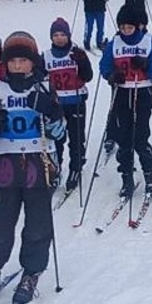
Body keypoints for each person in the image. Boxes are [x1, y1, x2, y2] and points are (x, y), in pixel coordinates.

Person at [0, 32, 66, 304]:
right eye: (13, 62)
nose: (18, 66)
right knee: (0, 224)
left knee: (37, 224)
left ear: (33, 62)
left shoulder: (45, 88)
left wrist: (49, 111)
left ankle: (31, 273)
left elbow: (59, 132)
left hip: (39, 163)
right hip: (6, 166)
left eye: (24, 61)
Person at [100, 2, 152, 197]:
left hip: (142, 91)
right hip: (122, 93)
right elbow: (104, 66)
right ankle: (126, 177)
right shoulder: (114, 43)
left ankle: (149, 173)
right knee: (124, 138)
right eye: (122, 27)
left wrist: (145, 66)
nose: (126, 31)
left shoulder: (148, 41)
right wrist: (111, 76)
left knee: (140, 136)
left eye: (130, 27)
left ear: (137, 26)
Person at [45, 18, 94, 193]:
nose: (59, 38)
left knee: (76, 138)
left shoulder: (76, 52)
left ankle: (76, 168)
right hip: (56, 105)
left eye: (63, 35)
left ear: (69, 35)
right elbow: (40, 79)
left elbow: (88, 76)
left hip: (76, 101)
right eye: (56, 35)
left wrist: (81, 62)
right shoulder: (47, 56)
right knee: (55, 139)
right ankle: (55, 170)